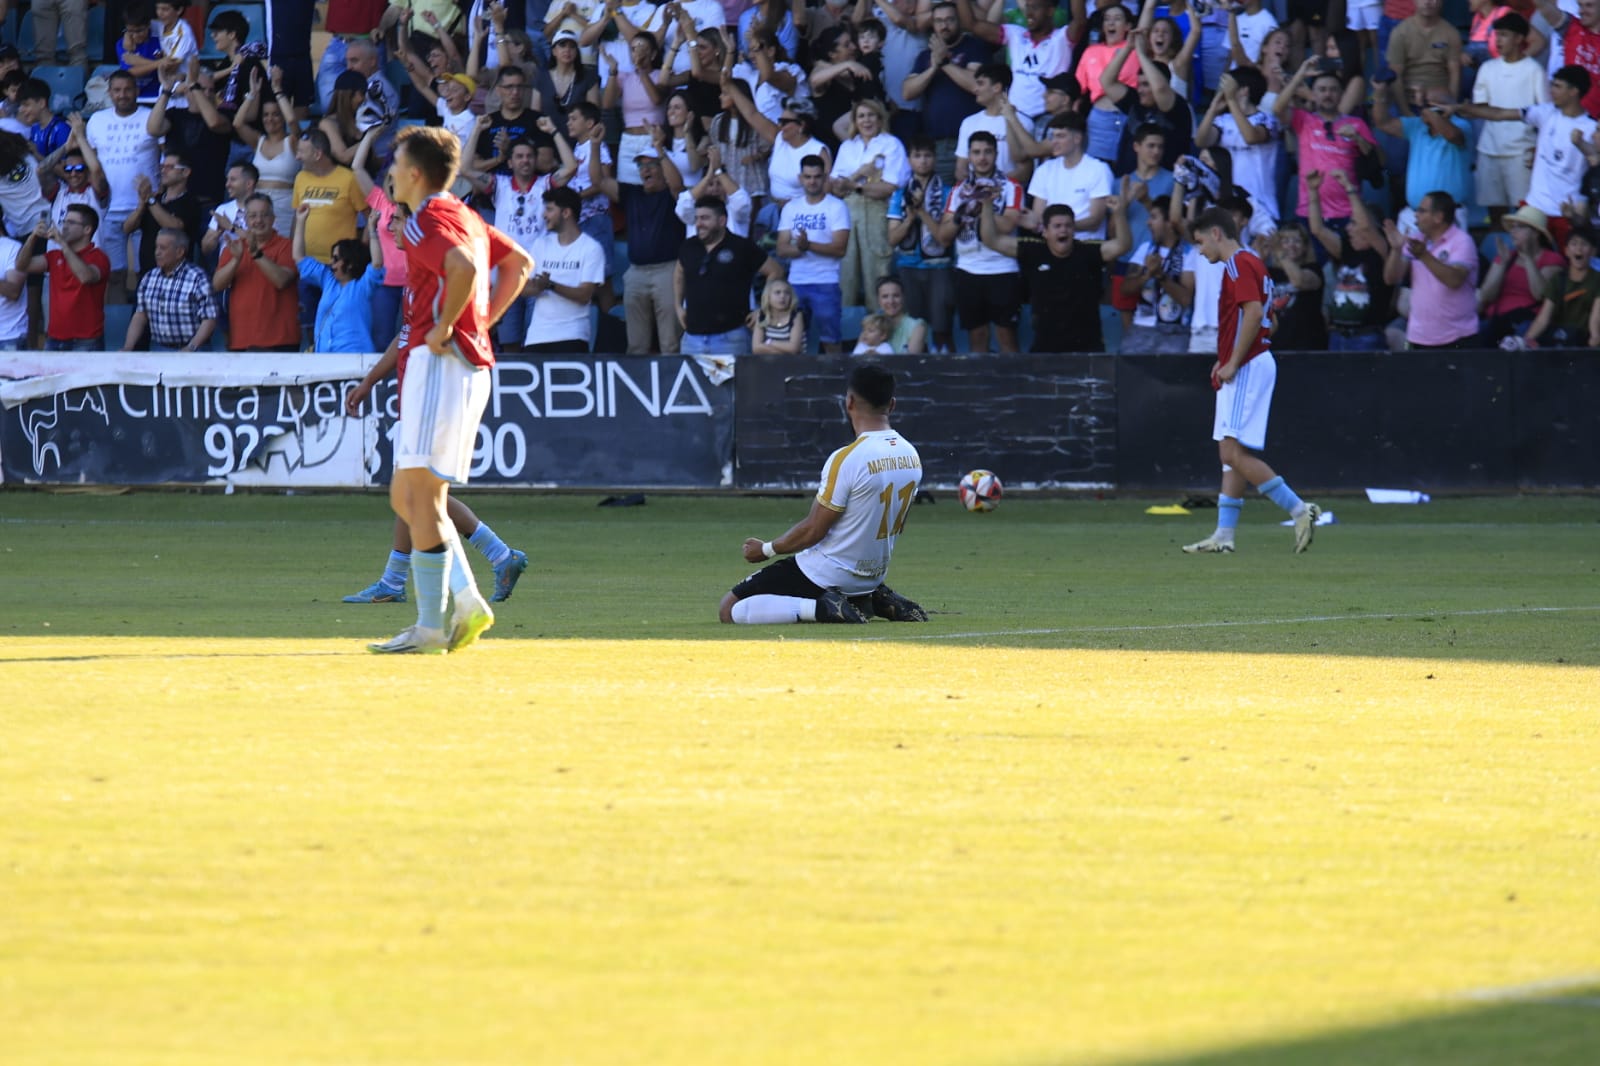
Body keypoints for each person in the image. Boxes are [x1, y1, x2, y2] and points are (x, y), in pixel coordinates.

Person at [368, 125, 534, 655]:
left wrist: (445, 328)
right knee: (412, 495)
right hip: (455, 366)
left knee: (418, 494)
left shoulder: (423, 222)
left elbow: (461, 267)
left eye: (395, 163)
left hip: (438, 365)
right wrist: (477, 327)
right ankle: (463, 603)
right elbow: (518, 265)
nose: (390, 172)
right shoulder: (465, 214)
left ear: (414, 173)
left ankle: (433, 625)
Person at [719, 364, 929, 626]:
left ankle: (823, 609)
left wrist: (766, 549)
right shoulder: (911, 455)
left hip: (826, 573)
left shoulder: (847, 458)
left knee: (730, 608)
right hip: (872, 573)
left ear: (849, 402)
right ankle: (871, 598)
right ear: (892, 404)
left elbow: (813, 530)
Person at [1182, 206, 1322, 556]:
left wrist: (1232, 361)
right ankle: (1224, 535)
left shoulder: (1238, 264)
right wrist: (1227, 356)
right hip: (1248, 360)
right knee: (1229, 454)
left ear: (1216, 233)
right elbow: (1268, 322)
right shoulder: (1253, 264)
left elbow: (1256, 314)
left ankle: (1298, 509)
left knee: (1232, 451)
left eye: (1200, 242)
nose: (1200, 251)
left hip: (1248, 364)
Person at [1459, 66, 1600, 251]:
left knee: (1565, 265)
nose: (1552, 91)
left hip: (1567, 212)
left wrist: (1581, 144)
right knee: (1527, 261)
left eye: (1558, 86)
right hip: (1535, 207)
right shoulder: (1545, 112)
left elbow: (1596, 159)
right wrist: (1462, 108)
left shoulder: (1591, 127)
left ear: (1574, 91)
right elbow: (1500, 114)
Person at [979, 193, 1131, 352]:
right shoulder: (1033, 251)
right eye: (1057, 226)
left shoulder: (1088, 251)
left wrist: (1119, 214)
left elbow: (1123, 245)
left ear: (1074, 230)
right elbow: (991, 240)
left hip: (1087, 345)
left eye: (1068, 226)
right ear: (1045, 232)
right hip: (1046, 345)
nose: (1063, 230)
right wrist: (987, 205)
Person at [938, 129, 1025, 353]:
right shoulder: (958, 190)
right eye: (976, 152)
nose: (982, 157)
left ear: (996, 154)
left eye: (987, 152)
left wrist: (975, 206)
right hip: (968, 269)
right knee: (977, 336)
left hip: (1002, 267)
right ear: (969, 156)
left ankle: (1014, 386)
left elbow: (1007, 225)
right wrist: (962, 212)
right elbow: (944, 236)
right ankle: (981, 387)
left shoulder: (1011, 186)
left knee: (1006, 336)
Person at [675, 194, 782, 356]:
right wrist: (678, 306)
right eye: (697, 218)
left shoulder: (741, 246)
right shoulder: (689, 246)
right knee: (692, 382)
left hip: (731, 337)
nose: (699, 224)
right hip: (692, 338)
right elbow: (678, 273)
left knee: (735, 382)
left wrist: (763, 309)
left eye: (705, 218)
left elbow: (776, 271)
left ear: (722, 221)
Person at [1468, 13, 1548, 230]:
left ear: (1520, 39)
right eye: (1496, 35)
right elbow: (1480, 107)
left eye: (1504, 35)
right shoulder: (1488, 69)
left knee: (1523, 213)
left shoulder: (1534, 71)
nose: (1498, 41)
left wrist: (1537, 150)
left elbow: (1545, 115)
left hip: (1521, 152)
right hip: (1489, 149)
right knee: (1494, 212)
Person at [828, 99, 909, 311]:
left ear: (881, 118)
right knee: (846, 274)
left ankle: (882, 328)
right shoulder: (847, 146)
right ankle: (846, 335)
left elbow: (890, 186)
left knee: (878, 271)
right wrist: (861, 175)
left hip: (877, 210)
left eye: (871, 115)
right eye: (861, 116)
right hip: (848, 211)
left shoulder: (891, 144)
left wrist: (853, 185)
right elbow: (836, 187)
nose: (866, 120)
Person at [956, 0, 1083, 128]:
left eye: (1035, 8)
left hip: (1048, 118)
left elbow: (1080, 22)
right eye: (1027, 7)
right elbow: (971, 24)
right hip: (1015, 118)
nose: (1029, 13)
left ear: (1050, 11)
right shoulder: (1015, 34)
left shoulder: (1062, 38)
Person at [1306, 169, 1394, 352]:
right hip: (1338, 336)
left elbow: (1365, 226)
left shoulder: (1381, 251)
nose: (1348, 228)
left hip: (1367, 337)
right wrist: (1313, 191)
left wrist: (1349, 188)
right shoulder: (1346, 251)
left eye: (1353, 222)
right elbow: (1317, 230)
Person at [901, 1, 988, 184]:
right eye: (939, 21)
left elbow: (975, 84)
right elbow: (907, 92)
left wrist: (946, 63)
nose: (944, 26)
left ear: (959, 21)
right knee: (940, 202)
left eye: (949, 20)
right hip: (937, 145)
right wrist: (934, 67)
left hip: (972, 143)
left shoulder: (974, 47)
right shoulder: (926, 56)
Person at [1382, 190, 1479, 350]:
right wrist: (1396, 250)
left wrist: (1424, 255)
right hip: (1419, 336)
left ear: (1438, 217)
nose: (1416, 214)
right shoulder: (1416, 238)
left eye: (1421, 210)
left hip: (1457, 337)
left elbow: (1454, 280)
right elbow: (1391, 278)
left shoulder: (1462, 241)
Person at [776, 154, 851, 352]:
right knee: (793, 339)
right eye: (808, 177)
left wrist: (808, 246)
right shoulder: (791, 208)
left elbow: (840, 249)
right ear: (800, 178)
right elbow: (781, 248)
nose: (812, 181)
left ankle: (836, 375)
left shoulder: (837, 206)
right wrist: (800, 248)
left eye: (817, 177)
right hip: (796, 282)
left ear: (825, 177)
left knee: (831, 338)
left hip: (826, 281)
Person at [886, 136, 954, 351]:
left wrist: (921, 211)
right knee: (915, 328)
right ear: (909, 160)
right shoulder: (899, 195)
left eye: (927, 156)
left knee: (942, 327)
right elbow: (892, 238)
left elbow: (944, 237)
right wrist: (909, 218)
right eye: (917, 156)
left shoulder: (947, 193)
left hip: (939, 266)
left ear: (934, 159)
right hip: (907, 266)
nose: (923, 161)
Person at [524, 185, 607, 353]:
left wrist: (551, 285)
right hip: (536, 336)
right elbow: (524, 289)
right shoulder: (541, 244)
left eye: (549, 209)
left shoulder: (591, 248)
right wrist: (537, 286)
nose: (544, 215)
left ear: (566, 213)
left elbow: (585, 295)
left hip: (572, 336)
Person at [214, 193, 301, 351]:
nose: (258, 221)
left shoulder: (287, 246)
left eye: (264, 215)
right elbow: (217, 285)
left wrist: (256, 254)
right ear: (246, 221)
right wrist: (236, 260)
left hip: (280, 340)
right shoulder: (234, 248)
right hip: (241, 339)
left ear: (273, 218)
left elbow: (281, 280)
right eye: (253, 216)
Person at [16, 208, 109, 350]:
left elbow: (85, 276)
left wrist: (62, 243)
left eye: (71, 222)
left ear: (87, 229)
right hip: (54, 338)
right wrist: (33, 237)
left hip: (86, 341)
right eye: (64, 221)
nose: (64, 226)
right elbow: (21, 266)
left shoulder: (98, 257)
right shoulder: (54, 256)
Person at [1119, 195, 1196, 354]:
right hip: (1140, 328)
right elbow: (1125, 289)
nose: (1148, 222)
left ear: (1169, 222)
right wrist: (1147, 276)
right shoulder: (1145, 248)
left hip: (1175, 332)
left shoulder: (1190, 253)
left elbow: (1186, 299)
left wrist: (1161, 276)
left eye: (1154, 217)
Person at [1477, 204, 1562, 346]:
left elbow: (1540, 294)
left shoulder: (1551, 259)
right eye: (1513, 227)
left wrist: (1528, 259)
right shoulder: (1506, 256)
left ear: (1535, 233)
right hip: (1497, 321)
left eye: (1519, 227)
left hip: (1527, 323)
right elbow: (1486, 296)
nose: (1513, 232)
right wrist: (1502, 264)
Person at [121, 228, 218, 351]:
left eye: (163, 248)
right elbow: (140, 315)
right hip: (159, 348)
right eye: (156, 247)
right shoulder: (149, 277)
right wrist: (128, 346)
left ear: (179, 252)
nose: (157, 252)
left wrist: (191, 347)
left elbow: (209, 318)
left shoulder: (198, 278)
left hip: (194, 350)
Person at [232, 66, 303, 235]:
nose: (270, 119)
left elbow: (292, 120)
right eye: (266, 115)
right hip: (258, 205)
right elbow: (237, 123)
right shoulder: (259, 141)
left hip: (285, 205)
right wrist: (252, 94)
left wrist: (278, 91)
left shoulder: (292, 140)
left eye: (276, 114)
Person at [1026, 111, 1114, 239]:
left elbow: (1095, 221)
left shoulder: (1098, 169)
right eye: (1052, 137)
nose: (1054, 142)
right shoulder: (1044, 170)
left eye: (1060, 136)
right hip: (1051, 246)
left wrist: (1060, 228)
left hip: (1086, 245)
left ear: (1077, 138)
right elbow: (1039, 216)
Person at [125, 149, 205, 285]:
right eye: (162, 167)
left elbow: (175, 226)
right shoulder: (154, 199)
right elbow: (127, 228)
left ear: (185, 172)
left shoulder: (191, 202)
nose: (163, 171)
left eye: (170, 167)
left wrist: (150, 200)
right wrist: (141, 206)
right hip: (148, 273)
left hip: (177, 276)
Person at [1522, 226, 1600, 346]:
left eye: (1584, 244)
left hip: (1585, 342)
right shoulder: (1558, 279)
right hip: (1561, 340)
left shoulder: (1597, 280)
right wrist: (1525, 342)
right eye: (1574, 244)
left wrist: (1595, 338)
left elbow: (1596, 319)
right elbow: (1543, 318)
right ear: (1566, 251)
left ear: (1593, 251)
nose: (1578, 248)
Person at [873, 275, 928, 353]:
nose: (891, 301)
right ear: (878, 300)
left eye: (896, 296)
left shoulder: (917, 326)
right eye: (885, 296)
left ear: (904, 297)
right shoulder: (871, 324)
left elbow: (910, 361)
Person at [751, 277, 805, 354]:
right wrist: (783, 351)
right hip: (769, 362)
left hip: (793, 363)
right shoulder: (762, 315)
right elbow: (756, 348)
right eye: (777, 292)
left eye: (787, 293)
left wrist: (769, 342)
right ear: (768, 297)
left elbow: (794, 348)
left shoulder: (796, 316)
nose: (782, 296)